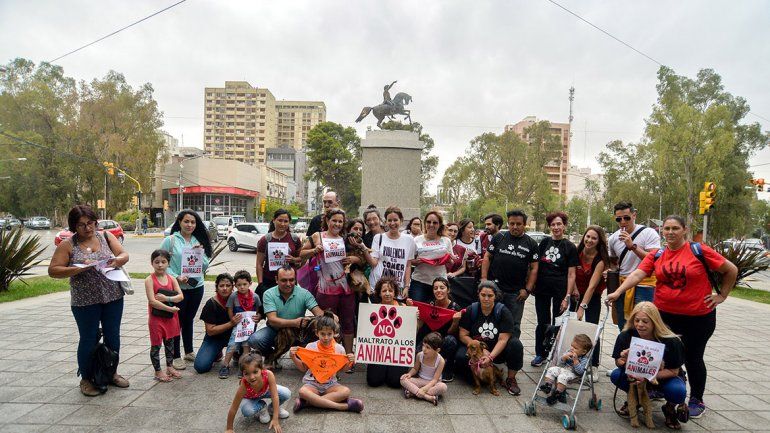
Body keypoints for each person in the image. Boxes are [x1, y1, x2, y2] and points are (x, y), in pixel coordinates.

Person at [607, 215, 738, 419]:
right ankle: (657, 388)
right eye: (666, 228)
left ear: (684, 230)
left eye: (675, 228)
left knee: (694, 358)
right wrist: (617, 292)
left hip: (698, 318)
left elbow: (730, 269)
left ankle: (696, 399)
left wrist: (722, 295)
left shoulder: (699, 250)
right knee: (661, 356)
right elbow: (637, 274)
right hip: (664, 317)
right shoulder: (658, 254)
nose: (670, 232)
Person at [48, 205, 130, 396]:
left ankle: (111, 373)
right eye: (82, 225)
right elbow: (53, 270)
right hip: (85, 301)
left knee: (113, 336)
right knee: (88, 339)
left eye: (91, 223)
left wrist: (117, 261)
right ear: (74, 226)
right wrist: (76, 269)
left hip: (112, 296)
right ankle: (86, 379)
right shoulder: (68, 245)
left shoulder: (106, 237)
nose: (88, 228)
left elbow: (124, 255)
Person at [609, 302, 689, 429]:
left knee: (678, 391)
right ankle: (635, 401)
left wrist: (647, 376)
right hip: (635, 377)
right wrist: (624, 359)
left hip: (663, 377)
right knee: (616, 375)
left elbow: (674, 371)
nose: (640, 325)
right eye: (637, 320)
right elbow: (618, 361)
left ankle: (669, 408)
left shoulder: (671, 341)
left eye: (645, 321)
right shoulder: (626, 335)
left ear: (654, 322)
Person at [159, 209, 212, 370]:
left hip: (196, 287)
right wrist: (176, 276)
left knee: (188, 319)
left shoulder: (198, 240)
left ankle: (188, 351)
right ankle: (175, 355)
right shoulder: (171, 240)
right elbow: (160, 263)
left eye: (193, 222)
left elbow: (205, 265)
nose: (190, 225)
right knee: (176, 321)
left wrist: (199, 253)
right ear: (179, 222)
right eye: (186, 221)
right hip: (177, 288)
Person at [299, 208, 356, 355]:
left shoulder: (345, 238)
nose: (337, 224)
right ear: (327, 221)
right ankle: (328, 355)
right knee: (327, 324)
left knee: (348, 322)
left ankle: (348, 357)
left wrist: (353, 259)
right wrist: (314, 251)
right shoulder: (318, 236)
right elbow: (301, 254)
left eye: (340, 221)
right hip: (325, 288)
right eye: (334, 220)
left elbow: (361, 256)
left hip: (345, 288)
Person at [248, 266, 327, 366]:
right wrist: (295, 323)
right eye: (284, 280)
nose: (288, 284)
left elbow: (319, 314)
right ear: (276, 280)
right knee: (255, 340)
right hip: (275, 330)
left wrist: (330, 316)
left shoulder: (304, 293)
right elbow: (272, 320)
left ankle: (302, 352)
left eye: (291, 280)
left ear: (295, 279)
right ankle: (271, 355)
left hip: (299, 333)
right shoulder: (268, 294)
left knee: (322, 327)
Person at [457, 281, 524, 395]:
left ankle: (510, 379)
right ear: (478, 294)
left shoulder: (503, 311)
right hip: (477, 349)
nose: (486, 298)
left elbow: (503, 339)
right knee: (460, 357)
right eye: (483, 295)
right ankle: (480, 377)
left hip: (498, 350)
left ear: (495, 296)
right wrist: (480, 350)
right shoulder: (471, 309)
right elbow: (463, 335)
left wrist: (490, 356)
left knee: (516, 345)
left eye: (490, 295)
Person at [481, 210, 539, 340]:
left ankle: (512, 355)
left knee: (513, 325)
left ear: (525, 224)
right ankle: (492, 354)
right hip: (495, 290)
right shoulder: (499, 238)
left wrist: (527, 290)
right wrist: (484, 280)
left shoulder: (531, 244)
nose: (515, 227)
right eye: (512, 223)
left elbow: (534, 268)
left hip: (516, 294)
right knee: (492, 322)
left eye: (518, 224)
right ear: (508, 223)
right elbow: (487, 258)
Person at [531, 211, 579, 367]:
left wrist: (567, 296)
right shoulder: (544, 243)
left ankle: (556, 355)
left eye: (559, 224)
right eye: (553, 224)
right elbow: (535, 266)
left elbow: (571, 274)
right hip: (542, 288)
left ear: (564, 225)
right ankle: (541, 353)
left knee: (558, 323)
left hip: (560, 289)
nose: (556, 227)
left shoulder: (570, 247)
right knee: (542, 322)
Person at [290, 311, 363, 413]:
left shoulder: (339, 348)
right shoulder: (310, 347)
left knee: (346, 391)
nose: (326, 337)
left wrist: (350, 362)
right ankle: (344, 406)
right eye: (322, 334)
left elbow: (343, 369)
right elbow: (303, 368)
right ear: (317, 333)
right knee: (302, 391)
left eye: (329, 334)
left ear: (335, 333)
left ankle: (308, 403)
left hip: (330, 384)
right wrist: (293, 357)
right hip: (312, 384)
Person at [607, 202, 661, 330]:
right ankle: (627, 348)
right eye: (619, 219)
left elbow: (654, 260)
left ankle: (642, 348)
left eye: (626, 218)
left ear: (634, 215)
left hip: (644, 284)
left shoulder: (648, 233)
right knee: (623, 325)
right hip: (623, 284)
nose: (623, 222)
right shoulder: (613, 238)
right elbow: (614, 263)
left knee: (643, 324)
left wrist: (632, 246)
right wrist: (610, 271)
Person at [225, 351, 291, 432]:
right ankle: (262, 407)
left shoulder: (268, 374)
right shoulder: (244, 384)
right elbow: (233, 408)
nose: (252, 377)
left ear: (261, 369)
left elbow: (275, 396)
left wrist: (275, 418)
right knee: (247, 410)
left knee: (286, 393)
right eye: (247, 374)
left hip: (266, 391)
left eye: (255, 372)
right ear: (243, 374)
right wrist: (229, 428)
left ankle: (272, 408)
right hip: (251, 398)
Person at [144, 249, 184, 382]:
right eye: (157, 262)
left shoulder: (172, 279)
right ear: (152, 263)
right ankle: (158, 371)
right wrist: (170, 309)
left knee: (170, 343)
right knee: (156, 345)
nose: (160, 265)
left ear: (168, 263)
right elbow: (152, 301)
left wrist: (167, 298)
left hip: (170, 318)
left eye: (163, 262)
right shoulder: (149, 280)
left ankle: (170, 366)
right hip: (156, 319)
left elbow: (180, 296)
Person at [574, 225, 609, 370]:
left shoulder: (600, 260)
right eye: (587, 236)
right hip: (575, 294)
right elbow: (571, 275)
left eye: (594, 238)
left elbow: (592, 286)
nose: (589, 240)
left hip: (592, 297)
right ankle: (572, 359)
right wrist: (574, 291)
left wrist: (582, 307)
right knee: (572, 326)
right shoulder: (576, 252)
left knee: (592, 329)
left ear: (599, 241)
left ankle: (593, 365)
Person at [366, 277, 411, 387]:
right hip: (379, 351)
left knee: (395, 383)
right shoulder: (373, 309)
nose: (387, 293)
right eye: (384, 291)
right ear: (379, 293)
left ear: (395, 292)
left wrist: (414, 316)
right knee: (373, 382)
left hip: (397, 351)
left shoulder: (403, 307)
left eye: (390, 291)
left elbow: (412, 331)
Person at [415, 277, 462, 382]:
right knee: (418, 353)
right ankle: (425, 369)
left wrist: (455, 322)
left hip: (444, 342)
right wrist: (418, 317)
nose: (438, 290)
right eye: (435, 288)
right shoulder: (428, 304)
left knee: (451, 340)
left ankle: (447, 369)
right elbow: (420, 327)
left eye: (442, 287)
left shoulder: (455, 308)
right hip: (428, 341)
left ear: (448, 290)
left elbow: (454, 334)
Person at [194, 273, 241, 374]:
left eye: (228, 286)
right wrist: (231, 323)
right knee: (201, 367)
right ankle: (217, 352)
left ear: (233, 287)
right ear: (216, 287)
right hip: (215, 338)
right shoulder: (210, 304)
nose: (224, 288)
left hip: (235, 337)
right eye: (221, 286)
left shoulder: (239, 300)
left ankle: (237, 353)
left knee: (244, 359)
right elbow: (210, 331)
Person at [363, 206, 416, 295]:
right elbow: (373, 263)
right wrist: (363, 248)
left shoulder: (409, 240)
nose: (392, 223)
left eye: (395, 220)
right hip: (378, 287)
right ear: (385, 221)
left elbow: (408, 265)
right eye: (389, 220)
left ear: (401, 220)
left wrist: (407, 286)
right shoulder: (378, 238)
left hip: (397, 288)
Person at [221, 270, 262, 379]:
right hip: (238, 326)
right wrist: (232, 320)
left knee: (246, 347)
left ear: (250, 283)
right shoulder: (233, 297)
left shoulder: (255, 297)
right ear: (235, 285)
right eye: (239, 285)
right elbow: (230, 309)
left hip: (249, 327)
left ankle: (243, 368)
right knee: (232, 345)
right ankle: (225, 365)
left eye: (244, 284)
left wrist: (257, 317)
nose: (242, 287)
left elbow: (258, 310)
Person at [410, 211, 458, 303]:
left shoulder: (446, 240)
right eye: (428, 222)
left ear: (440, 225)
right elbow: (410, 261)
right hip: (419, 282)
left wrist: (449, 260)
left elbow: (451, 263)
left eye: (435, 222)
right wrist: (417, 262)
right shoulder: (416, 240)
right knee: (417, 311)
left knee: (437, 312)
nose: (431, 225)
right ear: (424, 224)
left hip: (440, 283)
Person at [256, 209, 302, 303]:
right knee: (271, 311)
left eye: (286, 221)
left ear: (289, 222)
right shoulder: (265, 240)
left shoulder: (295, 239)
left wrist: (294, 260)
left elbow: (301, 260)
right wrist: (260, 283)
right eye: (280, 220)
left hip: (289, 282)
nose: (283, 224)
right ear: (274, 220)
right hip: (269, 282)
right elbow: (259, 264)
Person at [539, 334, 592, 405]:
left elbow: (580, 372)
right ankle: (548, 386)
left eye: (575, 348)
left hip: (573, 374)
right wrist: (564, 358)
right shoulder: (569, 351)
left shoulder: (584, 359)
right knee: (551, 369)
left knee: (562, 377)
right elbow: (560, 364)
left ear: (583, 352)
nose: (572, 349)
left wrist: (576, 361)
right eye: (572, 346)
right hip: (563, 369)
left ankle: (557, 394)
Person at [400, 332, 448, 405]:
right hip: (420, 380)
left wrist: (424, 389)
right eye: (423, 345)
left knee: (443, 387)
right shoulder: (420, 355)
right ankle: (427, 397)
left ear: (437, 350)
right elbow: (415, 369)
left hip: (433, 383)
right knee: (403, 379)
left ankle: (413, 393)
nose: (424, 349)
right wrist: (409, 374)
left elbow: (435, 379)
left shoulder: (440, 361)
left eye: (428, 347)